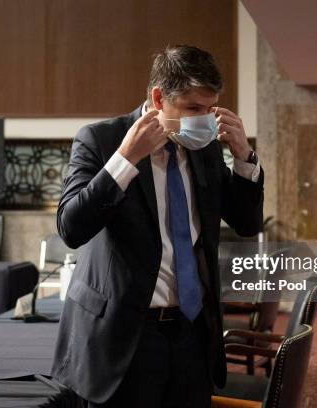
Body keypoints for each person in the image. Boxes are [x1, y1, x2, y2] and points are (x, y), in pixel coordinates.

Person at [51, 45, 264, 407]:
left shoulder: (206, 147)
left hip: (192, 333)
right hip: (125, 336)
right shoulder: (100, 140)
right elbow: (71, 228)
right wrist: (125, 160)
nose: (204, 120)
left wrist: (245, 157)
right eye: (193, 109)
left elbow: (246, 223)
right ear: (158, 98)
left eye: (210, 110)